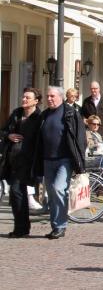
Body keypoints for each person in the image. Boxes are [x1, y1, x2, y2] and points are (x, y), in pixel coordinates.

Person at [33, 86, 87, 239]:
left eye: (52, 96)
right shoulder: (44, 115)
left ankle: (61, 225)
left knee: (58, 189)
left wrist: (80, 161)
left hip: (65, 159)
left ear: (61, 97)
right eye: (47, 96)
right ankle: (55, 226)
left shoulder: (70, 113)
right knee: (51, 193)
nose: (49, 99)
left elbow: (80, 138)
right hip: (47, 159)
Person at [0, 88, 43, 238]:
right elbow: (3, 131)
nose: (24, 99)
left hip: (28, 161)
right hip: (12, 159)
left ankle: (20, 228)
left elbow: (41, 141)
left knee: (16, 191)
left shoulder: (39, 118)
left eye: (27, 98)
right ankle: (23, 226)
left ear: (36, 101)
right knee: (18, 194)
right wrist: (9, 135)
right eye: (23, 97)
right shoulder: (17, 113)